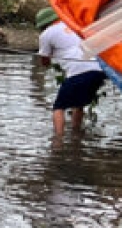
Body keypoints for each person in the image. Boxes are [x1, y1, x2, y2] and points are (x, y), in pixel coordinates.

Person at [36, 7, 106, 136]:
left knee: (58, 108)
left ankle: (58, 142)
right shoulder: (73, 24)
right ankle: (76, 135)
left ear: (43, 25)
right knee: (78, 104)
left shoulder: (46, 34)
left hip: (78, 71)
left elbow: (45, 61)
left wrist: (51, 57)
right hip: (98, 70)